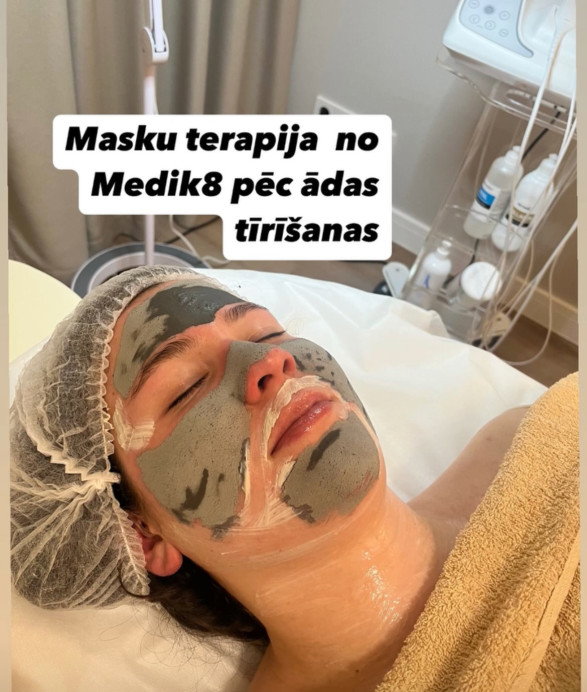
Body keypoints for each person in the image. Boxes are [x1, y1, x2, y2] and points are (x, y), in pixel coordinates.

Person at [11, 265, 579, 692]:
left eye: (264, 334)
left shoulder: (533, 431)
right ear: (141, 535)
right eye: (185, 389)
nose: (269, 362)